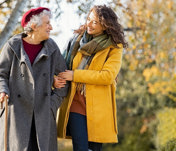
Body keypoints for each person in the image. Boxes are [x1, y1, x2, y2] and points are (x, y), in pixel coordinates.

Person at [0, 7, 68, 151]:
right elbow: (0, 74)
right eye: (47, 23)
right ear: (34, 26)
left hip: (43, 114)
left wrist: (52, 104)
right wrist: (1, 90)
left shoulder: (52, 47)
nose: (51, 27)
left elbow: (64, 79)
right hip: (16, 113)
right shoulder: (12, 46)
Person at [55, 5, 128, 151]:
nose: (89, 24)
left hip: (99, 106)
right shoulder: (76, 41)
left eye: (94, 22)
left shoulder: (114, 47)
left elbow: (107, 76)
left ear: (106, 25)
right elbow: (60, 65)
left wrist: (75, 75)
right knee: (80, 147)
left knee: (94, 149)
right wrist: (55, 78)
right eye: (89, 19)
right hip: (75, 101)